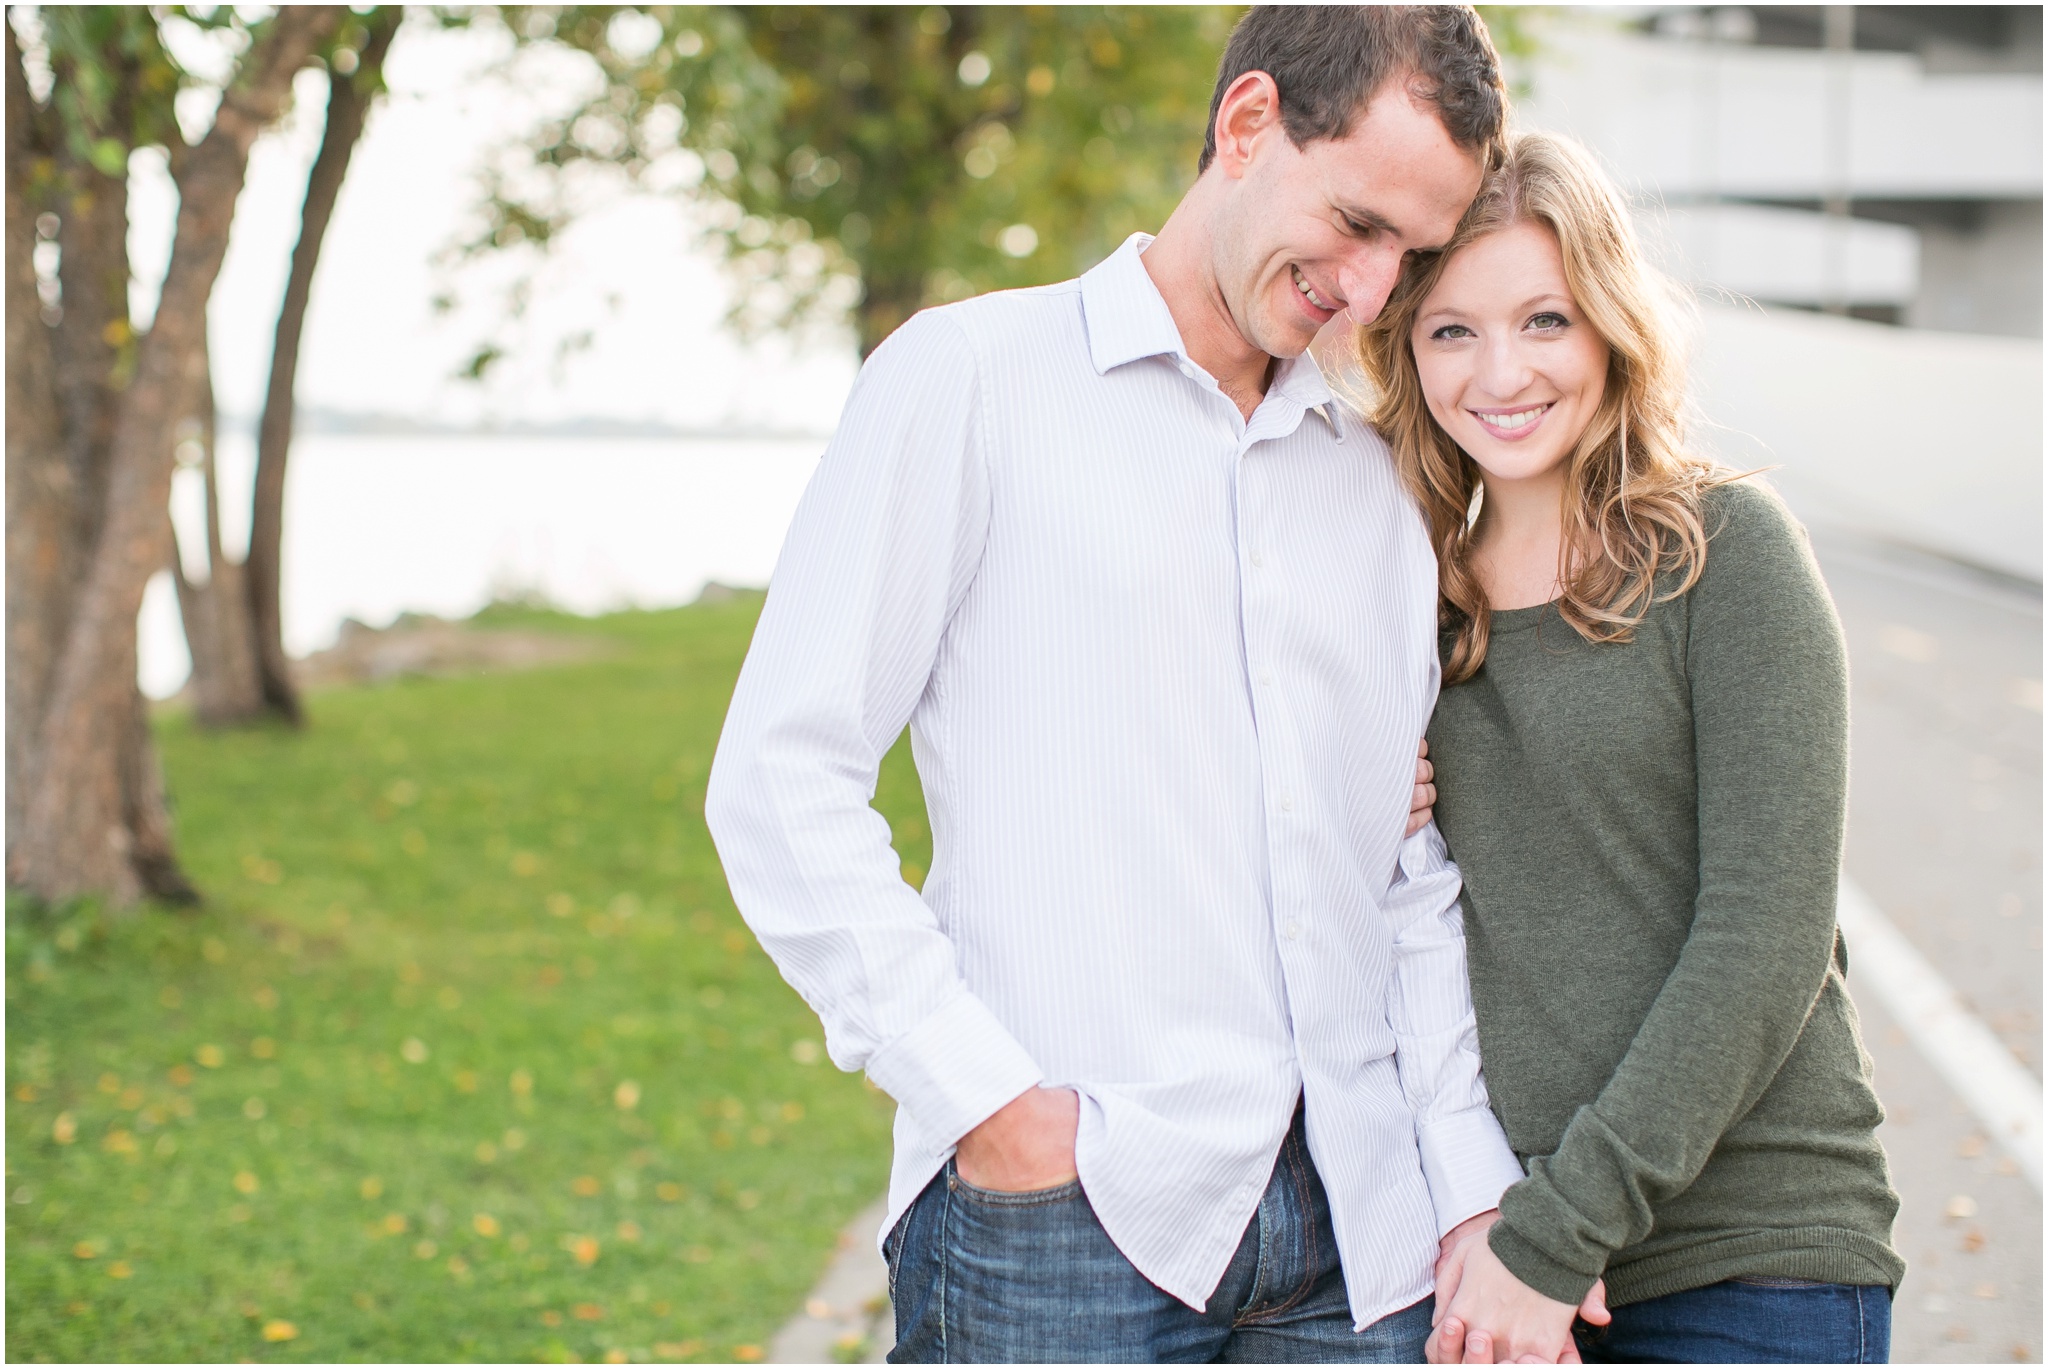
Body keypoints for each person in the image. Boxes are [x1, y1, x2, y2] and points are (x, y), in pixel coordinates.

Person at [707, 8, 1606, 1362]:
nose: (1371, 293)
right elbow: (783, 777)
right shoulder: (970, 385)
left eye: (1410, 256)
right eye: (1358, 223)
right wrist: (988, 1103)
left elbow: (1403, 868)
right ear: (1246, 126)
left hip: (1362, 1235)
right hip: (1067, 1219)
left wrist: (1473, 1185)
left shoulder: (1375, 486)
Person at [1353, 131, 1904, 1365]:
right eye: (1450, 330)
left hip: (1747, 1257)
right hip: (1499, 1251)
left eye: (1543, 319)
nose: (1500, 370)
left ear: (1608, 323)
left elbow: (1763, 940)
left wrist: (1554, 1235)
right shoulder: (1404, 603)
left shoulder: (1726, 555)